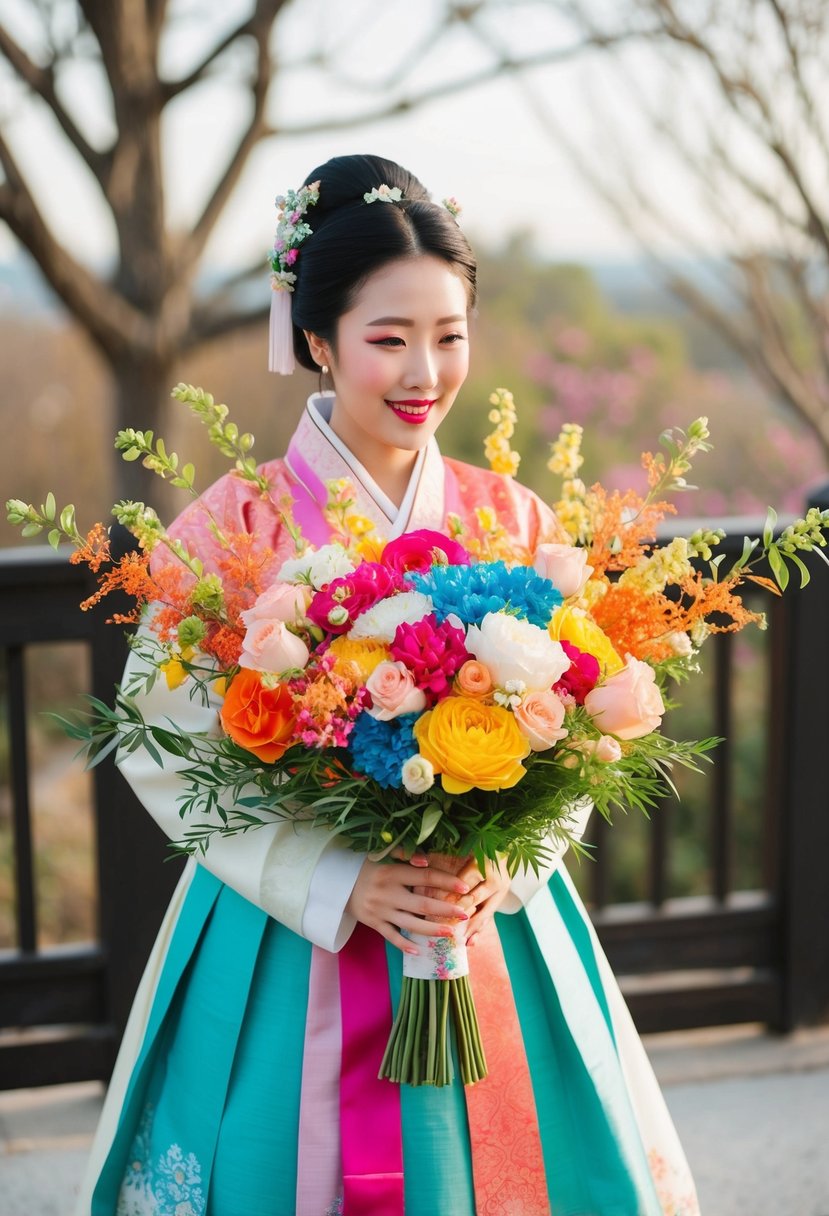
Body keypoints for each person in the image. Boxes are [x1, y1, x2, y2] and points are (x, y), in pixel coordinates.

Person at [77, 153, 700, 1216]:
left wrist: (501, 860)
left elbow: (586, 720)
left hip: (480, 926)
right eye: (389, 339)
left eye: (449, 337)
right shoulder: (236, 530)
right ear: (317, 341)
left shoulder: (512, 519)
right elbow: (154, 735)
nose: (425, 373)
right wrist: (341, 883)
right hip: (288, 923)